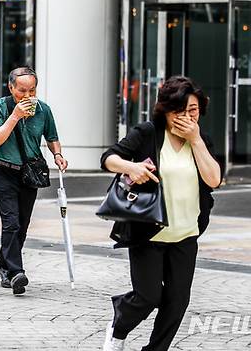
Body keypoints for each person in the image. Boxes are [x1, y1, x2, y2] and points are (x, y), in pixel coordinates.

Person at [100, 76, 221, 351]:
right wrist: (131, 168)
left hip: (186, 234)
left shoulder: (202, 141)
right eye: (181, 111)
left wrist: (196, 140)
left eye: (194, 111)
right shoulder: (148, 133)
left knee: (177, 303)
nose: (188, 118)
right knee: (148, 297)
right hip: (148, 232)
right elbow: (108, 158)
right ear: (166, 111)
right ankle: (119, 325)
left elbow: (214, 180)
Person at [0, 66, 68, 295]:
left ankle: (2, 265)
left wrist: (58, 155)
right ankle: (15, 273)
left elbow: (52, 137)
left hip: (28, 174)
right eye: (22, 90)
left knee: (21, 225)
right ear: (10, 87)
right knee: (11, 222)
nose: (28, 95)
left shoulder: (43, 110)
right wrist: (15, 116)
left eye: (32, 90)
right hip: (3, 172)